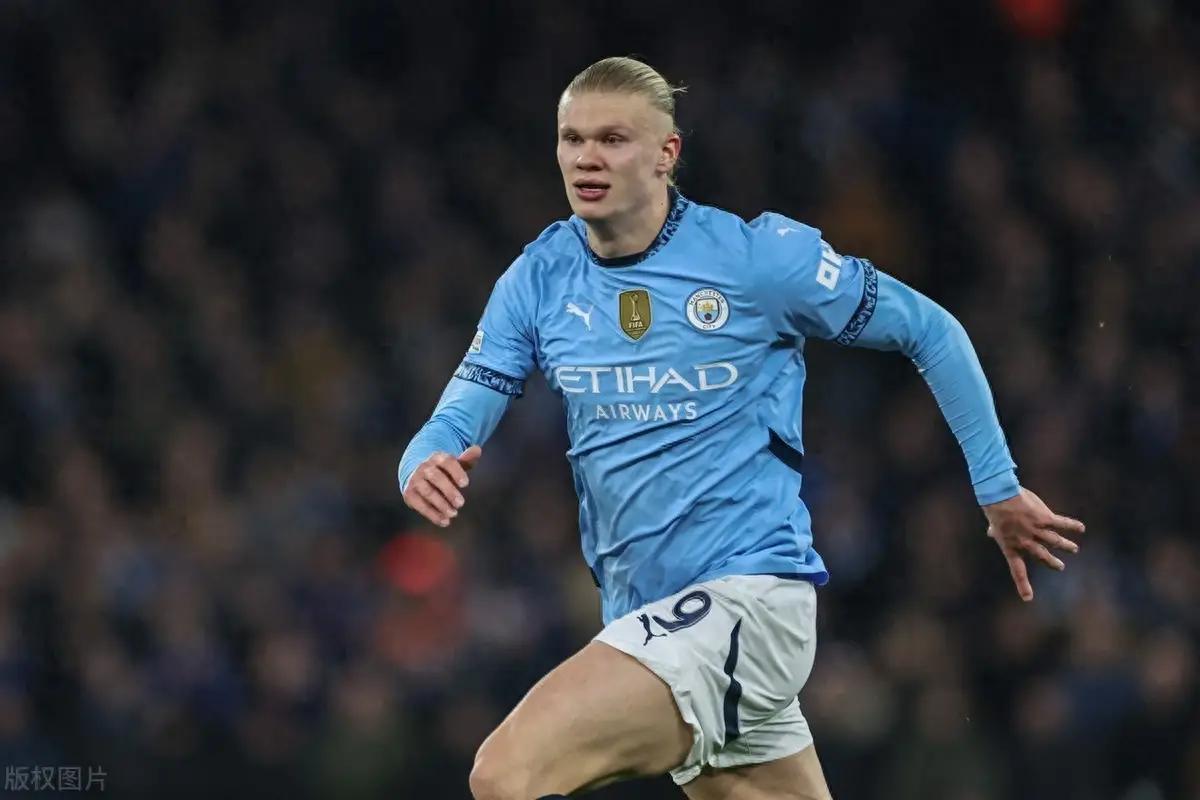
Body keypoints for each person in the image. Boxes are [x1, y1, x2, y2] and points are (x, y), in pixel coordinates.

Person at [397, 56, 1085, 800]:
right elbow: (460, 411)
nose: (587, 158)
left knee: (506, 774)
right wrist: (423, 459)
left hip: (747, 601)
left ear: (667, 153)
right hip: (650, 616)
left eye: (613, 139)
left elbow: (931, 329)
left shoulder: (757, 261)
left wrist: (998, 487)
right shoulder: (539, 278)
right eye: (572, 139)